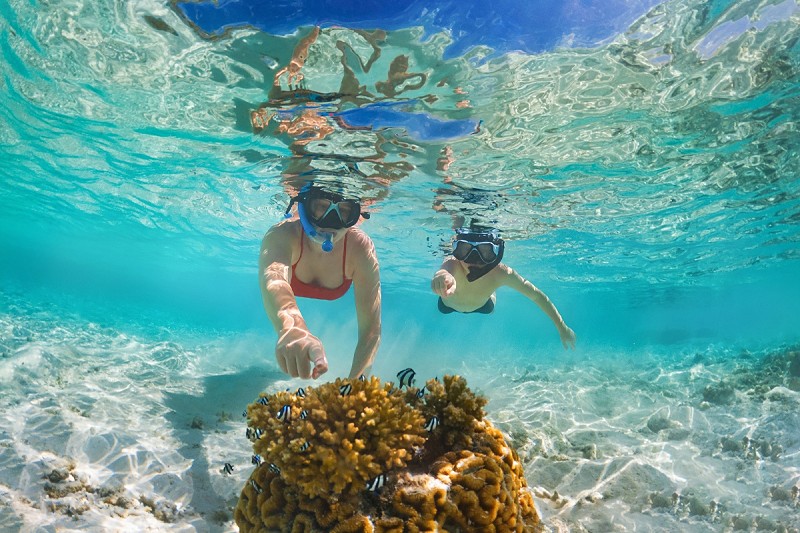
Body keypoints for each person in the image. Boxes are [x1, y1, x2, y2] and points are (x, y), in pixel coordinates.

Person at [259, 183, 381, 380]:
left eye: (344, 211)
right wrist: (292, 327)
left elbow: (371, 331)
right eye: (321, 207)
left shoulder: (360, 248)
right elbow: (273, 280)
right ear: (305, 206)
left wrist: (354, 390)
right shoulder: (283, 235)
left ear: (355, 216)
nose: (331, 221)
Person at [431, 228, 577, 349]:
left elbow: (537, 296)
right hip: (447, 305)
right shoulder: (453, 264)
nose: (473, 259)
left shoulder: (501, 273)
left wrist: (562, 327)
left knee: (490, 301)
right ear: (456, 249)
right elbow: (445, 270)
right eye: (465, 250)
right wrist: (442, 276)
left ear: (497, 253)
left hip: (484, 306)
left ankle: (490, 291)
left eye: (485, 252)